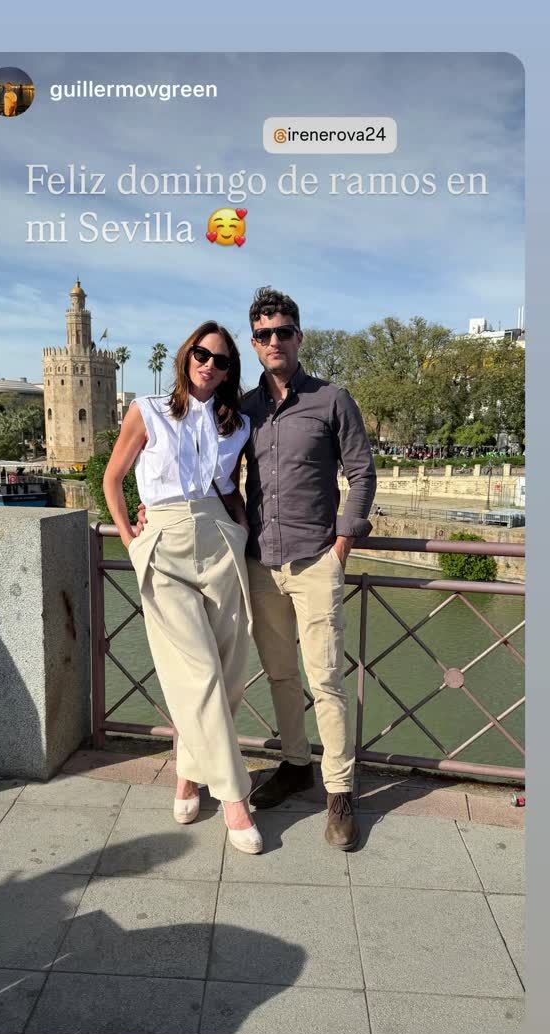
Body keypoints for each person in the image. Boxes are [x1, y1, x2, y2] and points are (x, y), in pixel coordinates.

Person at [104, 321, 262, 854]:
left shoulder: (236, 423)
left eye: (221, 360)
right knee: (198, 672)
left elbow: (232, 488)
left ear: (229, 371)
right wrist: (130, 540)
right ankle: (235, 797)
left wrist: (242, 530)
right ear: (185, 355)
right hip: (164, 540)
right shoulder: (147, 410)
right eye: (202, 354)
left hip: (220, 538)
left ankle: (189, 773)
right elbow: (112, 478)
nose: (209, 365)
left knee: (229, 670)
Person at [240, 287, 376, 850]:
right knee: (279, 674)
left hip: (316, 560)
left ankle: (339, 792)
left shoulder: (331, 399)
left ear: (299, 336)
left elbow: (361, 472)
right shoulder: (243, 408)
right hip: (260, 562)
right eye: (264, 334)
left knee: (326, 680)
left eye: (283, 331)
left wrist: (341, 544)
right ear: (254, 342)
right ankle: (295, 764)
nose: (274, 340)